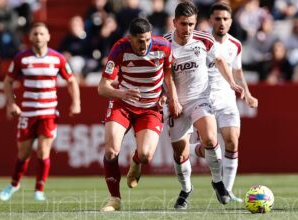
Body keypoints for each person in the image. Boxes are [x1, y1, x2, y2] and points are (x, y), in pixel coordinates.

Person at [163, 1, 244, 209]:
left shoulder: (204, 39)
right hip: (176, 103)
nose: (187, 29)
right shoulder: (164, 44)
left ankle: (218, 182)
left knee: (210, 137)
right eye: (183, 24)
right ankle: (186, 189)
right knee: (180, 154)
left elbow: (219, 60)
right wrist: (168, 98)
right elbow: (164, 75)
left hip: (200, 98)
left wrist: (232, 83)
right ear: (174, 23)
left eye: (191, 24)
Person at [98, 18, 176, 212]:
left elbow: (168, 73)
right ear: (130, 38)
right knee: (111, 150)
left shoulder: (164, 47)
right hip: (122, 104)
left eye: (147, 40)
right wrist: (121, 93)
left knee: (146, 155)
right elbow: (102, 87)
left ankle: (136, 161)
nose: (144, 45)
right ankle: (114, 198)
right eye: (140, 41)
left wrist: (170, 96)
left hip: (150, 108)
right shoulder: (119, 49)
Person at [0, 23, 81, 201]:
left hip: (48, 113)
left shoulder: (57, 58)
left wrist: (76, 102)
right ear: (30, 36)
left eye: (42, 33)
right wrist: (11, 104)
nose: (38, 37)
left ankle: (39, 190)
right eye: (35, 33)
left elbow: (71, 80)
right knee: (23, 153)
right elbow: (7, 82)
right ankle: (14, 184)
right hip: (27, 113)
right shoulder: (21, 58)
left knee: (43, 151)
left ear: (48, 37)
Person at [188, 2, 258, 203]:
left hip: (227, 99)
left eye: (225, 19)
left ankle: (226, 190)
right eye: (217, 19)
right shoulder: (199, 42)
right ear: (210, 20)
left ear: (231, 22)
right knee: (209, 147)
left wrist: (248, 93)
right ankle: (188, 149)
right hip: (204, 99)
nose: (221, 23)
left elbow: (237, 71)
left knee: (233, 142)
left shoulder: (235, 44)